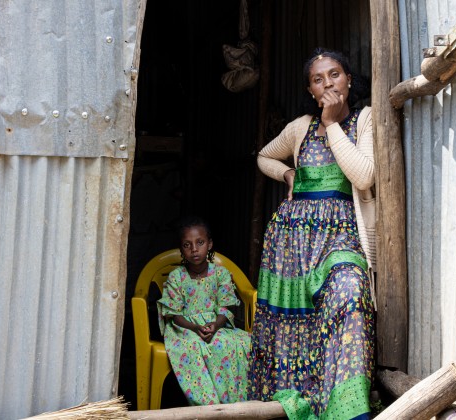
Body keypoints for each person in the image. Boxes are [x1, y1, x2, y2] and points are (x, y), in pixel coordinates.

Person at [248, 47, 376, 420]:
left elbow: (363, 176)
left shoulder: (364, 120)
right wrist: (287, 173)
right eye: (318, 79)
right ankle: (294, 401)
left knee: (350, 293)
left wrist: (333, 123)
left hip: (340, 238)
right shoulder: (300, 127)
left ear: (348, 79)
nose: (328, 83)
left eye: (334, 75)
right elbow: (263, 157)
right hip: (291, 242)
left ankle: (346, 408)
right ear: (310, 90)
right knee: (294, 323)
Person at [157, 216, 252, 405]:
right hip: (185, 329)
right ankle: (209, 405)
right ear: (181, 250)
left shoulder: (221, 274)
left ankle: (235, 402)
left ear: (209, 244)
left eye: (199, 242)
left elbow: (226, 306)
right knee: (193, 347)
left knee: (236, 342)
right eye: (187, 245)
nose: (194, 249)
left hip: (217, 324)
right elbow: (174, 315)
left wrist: (215, 325)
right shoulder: (177, 277)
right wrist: (195, 328)